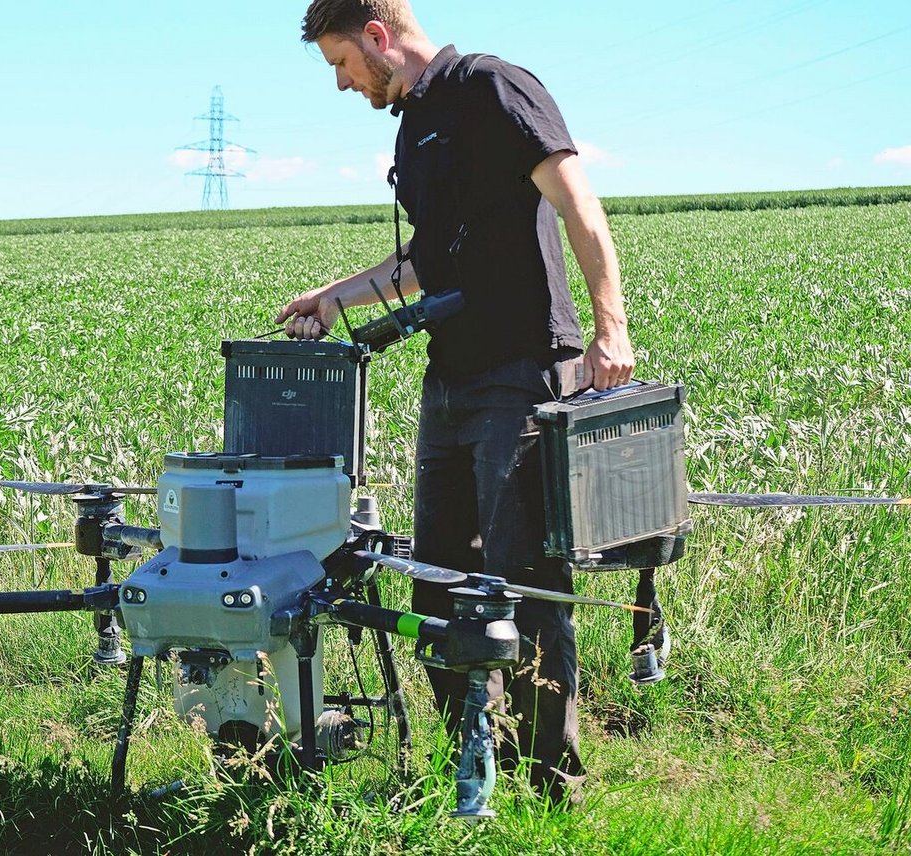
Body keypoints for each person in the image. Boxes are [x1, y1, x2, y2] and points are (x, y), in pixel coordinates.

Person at [277, 0, 635, 805]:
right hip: (449, 379)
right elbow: (428, 260)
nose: (342, 84)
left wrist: (610, 328)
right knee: (436, 583)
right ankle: (470, 764)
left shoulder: (493, 88)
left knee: (524, 580)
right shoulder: (414, 125)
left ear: (378, 37)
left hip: (522, 371)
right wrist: (335, 297)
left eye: (342, 63)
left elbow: (578, 202)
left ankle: (552, 784)